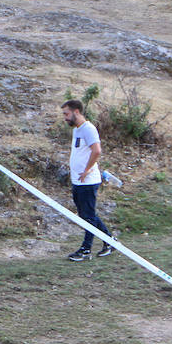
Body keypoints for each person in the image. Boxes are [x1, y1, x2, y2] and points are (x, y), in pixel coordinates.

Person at [60, 101, 112, 261]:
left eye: (66, 114)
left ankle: (86, 250)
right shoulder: (77, 130)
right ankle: (110, 241)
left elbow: (96, 151)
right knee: (86, 215)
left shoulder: (88, 129)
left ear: (76, 111)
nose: (65, 118)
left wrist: (88, 169)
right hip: (78, 181)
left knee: (88, 217)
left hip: (88, 182)